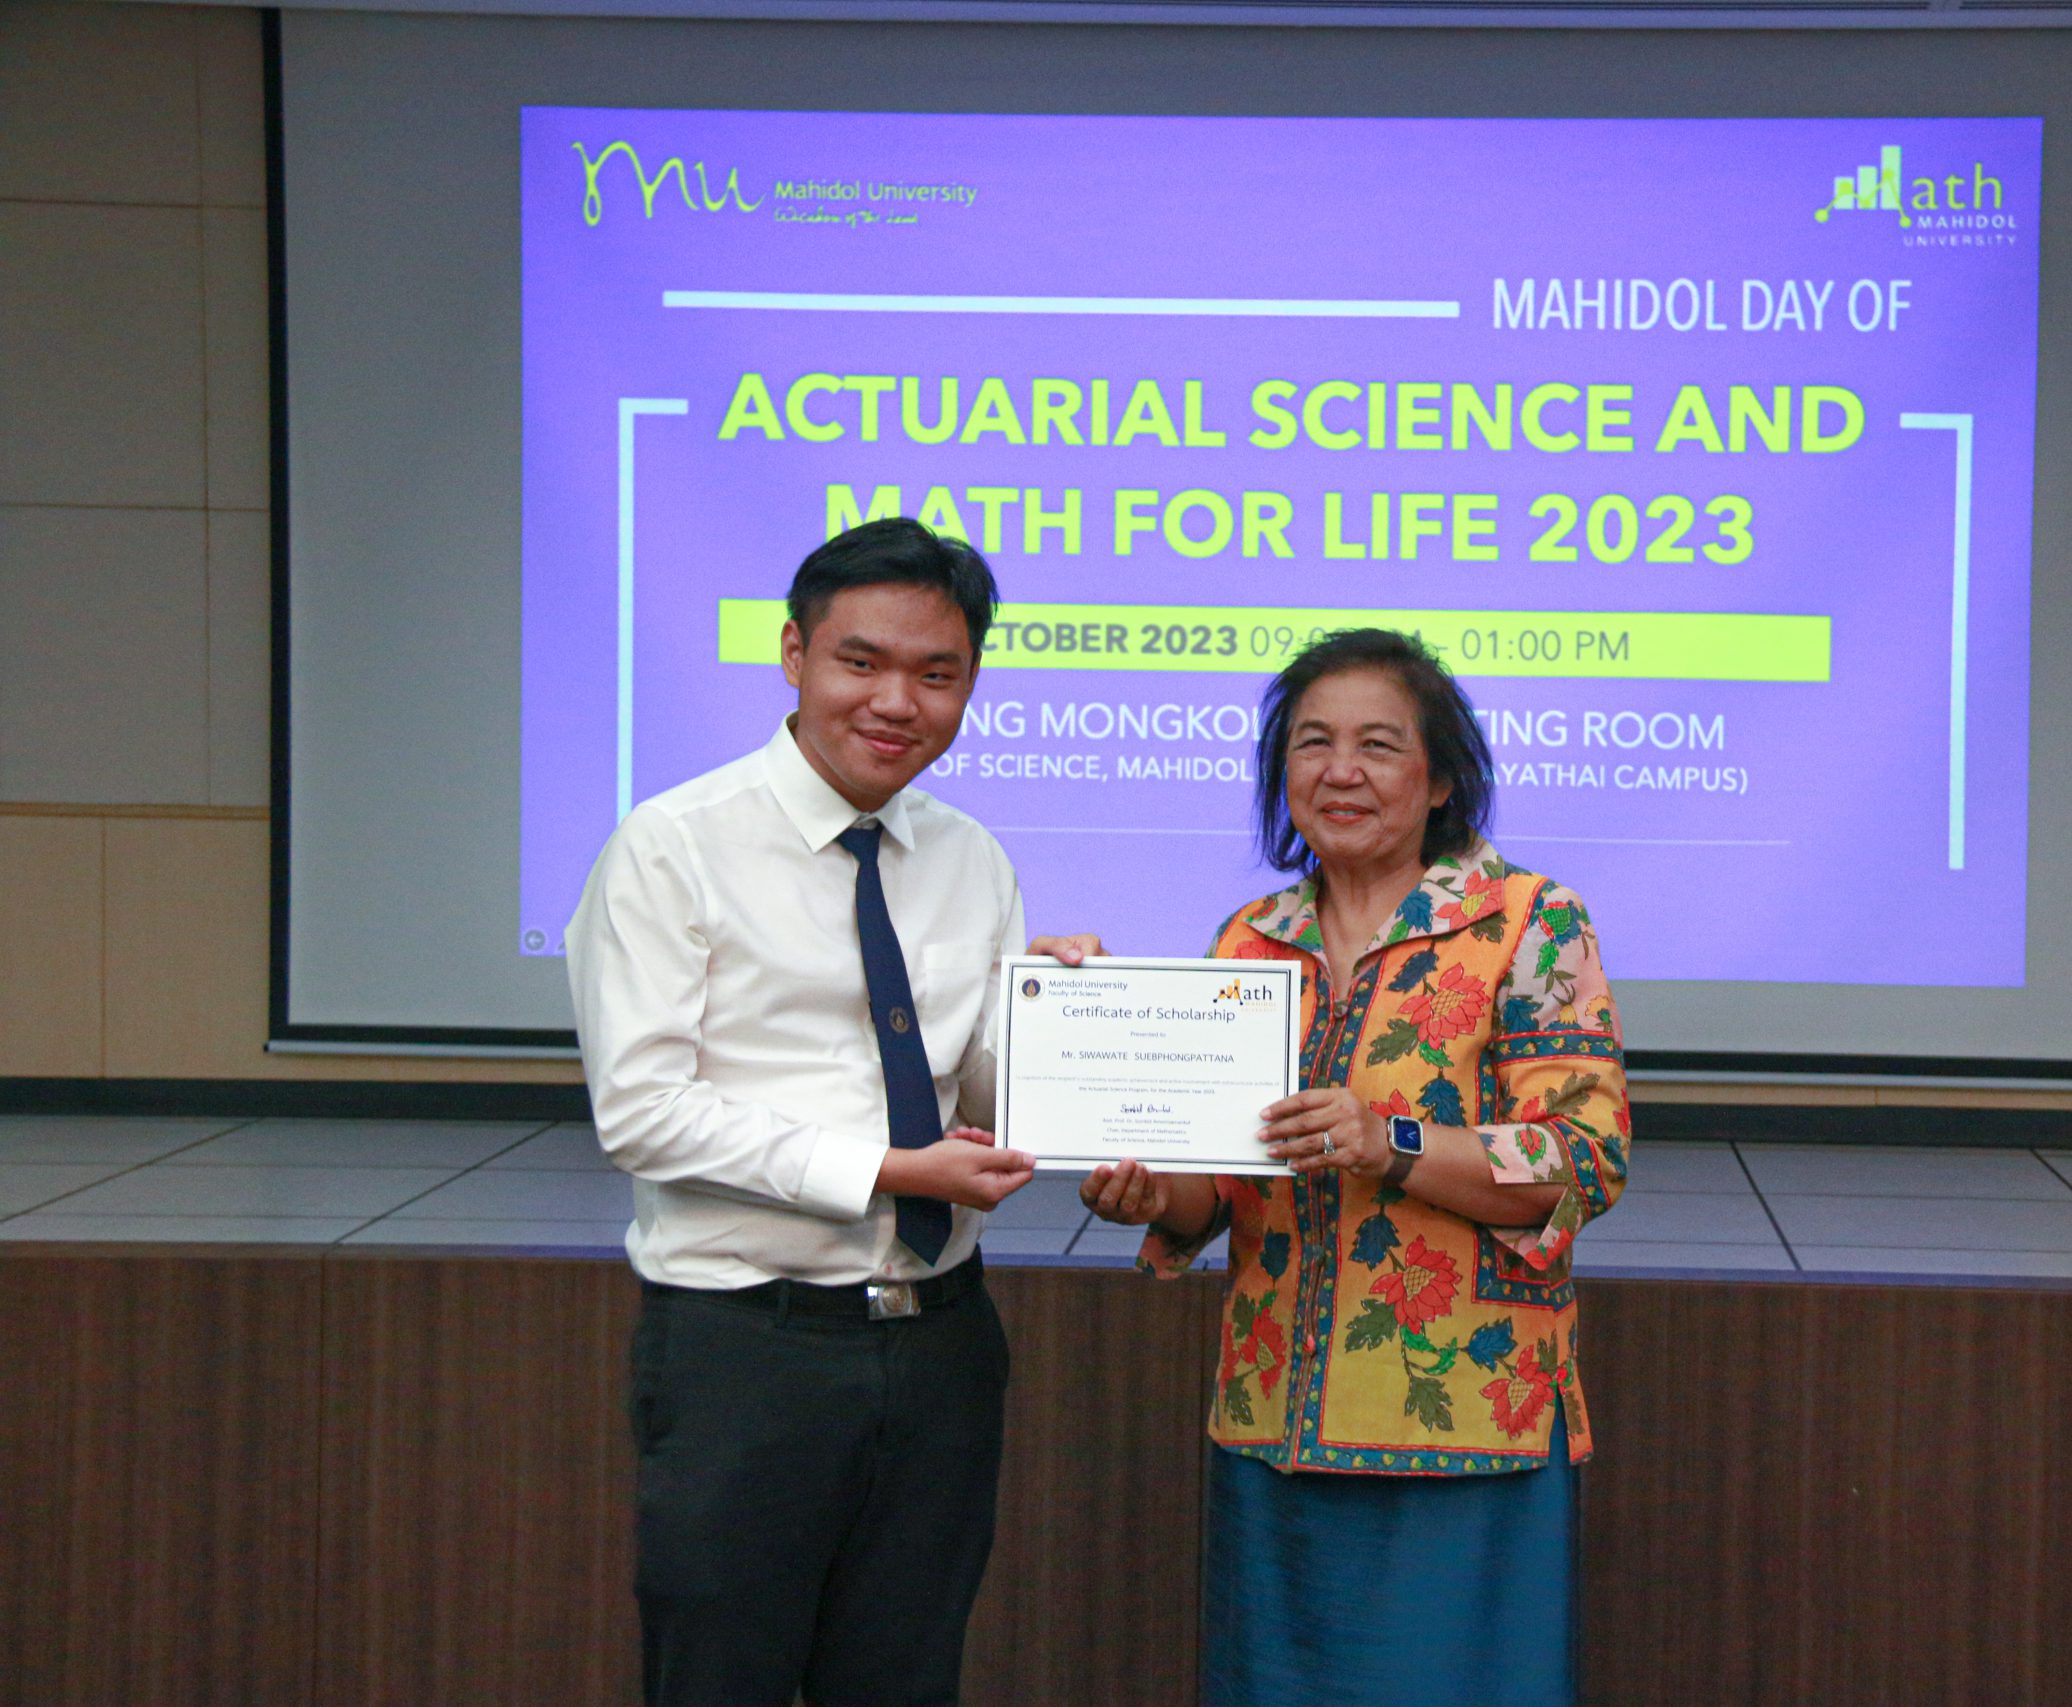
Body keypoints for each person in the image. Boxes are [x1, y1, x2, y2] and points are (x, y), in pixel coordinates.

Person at [567, 518, 1094, 1707]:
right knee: (722, 1682)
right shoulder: (674, 847)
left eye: (937, 673)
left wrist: (1065, 1023)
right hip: (748, 1350)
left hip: (943, 1342)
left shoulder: (969, 856)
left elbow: (979, 1094)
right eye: (862, 661)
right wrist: (889, 1173)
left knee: (906, 1681)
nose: (897, 702)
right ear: (794, 655)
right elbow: (643, 1114)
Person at [1081, 628, 1631, 1706]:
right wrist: (1150, 1193)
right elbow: (1218, 1181)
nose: (1340, 771)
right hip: (1274, 1421)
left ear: (1440, 779)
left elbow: (1584, 1158)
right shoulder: (1250, 940)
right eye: (1312, 743)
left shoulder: (1526, 921)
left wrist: (1394, 1143)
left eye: (1378, 745)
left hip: (1463, 1426)